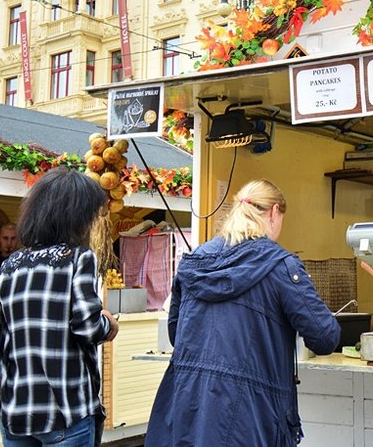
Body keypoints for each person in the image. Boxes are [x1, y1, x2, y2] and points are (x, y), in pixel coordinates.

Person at [146, 179, 340, 446]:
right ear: (273, 213)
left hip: (188, 407)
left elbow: (175, 333)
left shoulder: (194, 262)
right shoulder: (282, 267)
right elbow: (324, 337)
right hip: (250, 415)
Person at [0, 167, 120, 445]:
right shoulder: (78, 259)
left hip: (15, 410)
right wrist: (109, 323)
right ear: (75, 218)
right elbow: (88, 327)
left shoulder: (11, 264)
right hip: (65, 409)